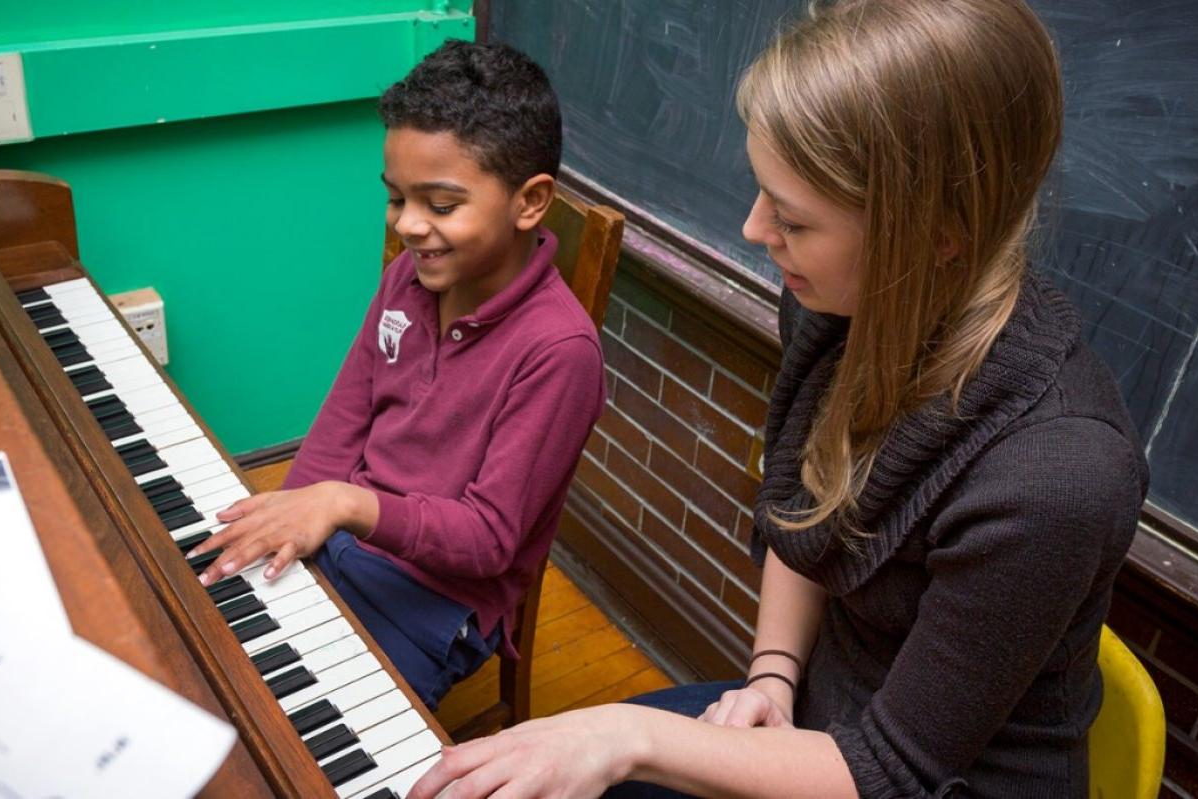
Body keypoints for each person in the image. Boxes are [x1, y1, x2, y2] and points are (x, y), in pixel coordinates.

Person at [409, 0, 1148, 796]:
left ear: (935, 234)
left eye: (794, 218)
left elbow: (893, 770)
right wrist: (771, 675)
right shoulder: (839, 304)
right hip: (820, 726)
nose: (755, 229)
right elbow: (808, 508)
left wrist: (625, 734)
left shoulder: (1057, 476)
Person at [189, 40, 606, 709]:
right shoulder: (407, 280)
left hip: (438, 600)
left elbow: (489, 540)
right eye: (395, 199)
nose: (409, 226)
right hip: (347, 537)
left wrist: (343, 504)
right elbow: (343, 421)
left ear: (530, 202)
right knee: (198, 637)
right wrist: (292, 520)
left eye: (440, 205)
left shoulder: (560, 352)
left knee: (286, 727)